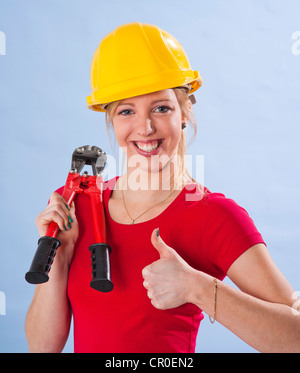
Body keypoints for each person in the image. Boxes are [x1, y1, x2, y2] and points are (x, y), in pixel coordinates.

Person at [25, 22, 300, 353]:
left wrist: (197, 287)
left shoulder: (213, 216)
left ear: (184, 112)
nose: (145, 127)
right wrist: (60, 255)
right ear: (111, 120)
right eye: (127, 111)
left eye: (161, 108)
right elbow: (42, 348)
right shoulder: (78, 206)